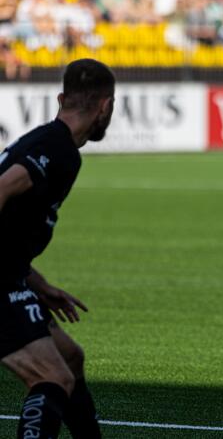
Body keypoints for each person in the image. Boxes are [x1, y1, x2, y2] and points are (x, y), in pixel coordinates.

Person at [0, 58, 115, 439]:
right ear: (106, 106)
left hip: (12, 276)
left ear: (61, 98)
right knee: (52, 377)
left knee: (69, 357)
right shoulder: (57, 148)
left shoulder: (50, 141)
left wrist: (39, 284)